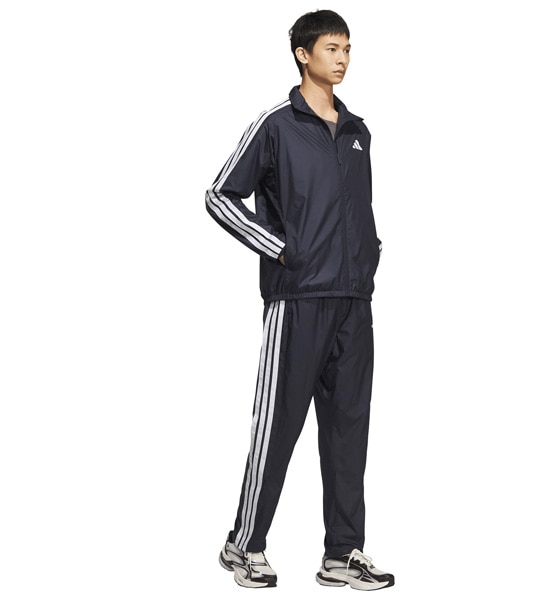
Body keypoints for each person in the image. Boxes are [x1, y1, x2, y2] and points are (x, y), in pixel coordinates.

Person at [205, 9, 394, 591]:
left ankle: (342, 553)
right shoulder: (276, 125)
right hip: (298, 299)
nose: (342, 58)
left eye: (348, 48)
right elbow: (220, 196)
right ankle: (244, 545)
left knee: (348, 430)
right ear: (302, 54)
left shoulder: (358, 131)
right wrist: (281, 250)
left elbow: (358, 210)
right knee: (278, 425)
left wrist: (370, 254)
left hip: (353, 300)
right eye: (331, 48)